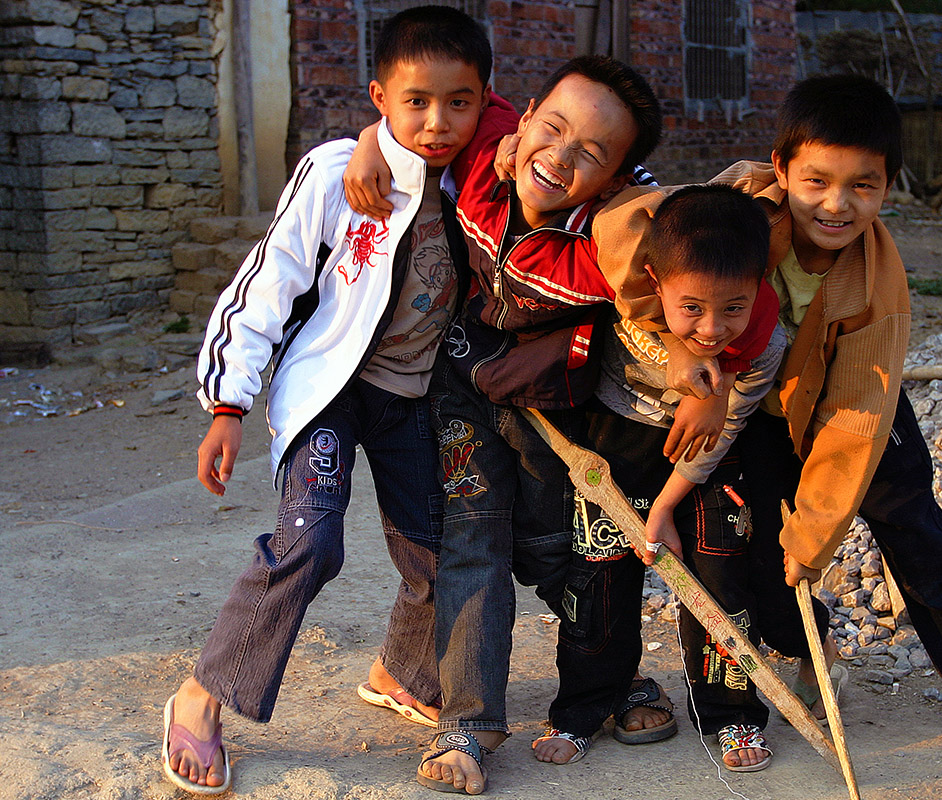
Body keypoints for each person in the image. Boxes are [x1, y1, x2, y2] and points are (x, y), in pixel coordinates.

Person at [597, 73, 942, 782]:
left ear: (889, 188)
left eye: (863, 186)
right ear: (782, 168)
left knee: (917, 532)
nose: (836, 204)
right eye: (816, 180)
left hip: (854, 406)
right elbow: (631, 238)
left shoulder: (878, 285)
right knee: (739, 537)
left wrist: (814, 535)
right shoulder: (740, 204)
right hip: (759, 405)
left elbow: (855, 423)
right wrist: (690, 359)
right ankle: (806, 648)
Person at [160, 7, 492, 794]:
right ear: (379, 95)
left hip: (415, 397)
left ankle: (400, 672)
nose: (437, 122)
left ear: (486, 101)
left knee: (437, 552)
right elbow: (268, 284)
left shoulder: (489, 175)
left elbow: (565, 145)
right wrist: (228, 404)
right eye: (415, 102)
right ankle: (202, 694)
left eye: (460, 102)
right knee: (311, 541)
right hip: (331, 395)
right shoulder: (340, 173)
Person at [344, 54, 670, 795]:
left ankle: (611, 680)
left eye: (590, 154)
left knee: (562, 551)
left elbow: (693, 234)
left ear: (617, 179)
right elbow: (433, 102)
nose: (557, 157)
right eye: (550, 129)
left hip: (553, 409)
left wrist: (576, 344)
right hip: (462, 386)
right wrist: (372, 137)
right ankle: (468, 723)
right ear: (522, 118)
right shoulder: (488, 160)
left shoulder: (610, 241)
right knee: (473, 540)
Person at [565, 183, 799, 773]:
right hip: (617, 443)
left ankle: (732, 715)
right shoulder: (626, 305)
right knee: (600, 577)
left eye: (733, 308)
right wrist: (671, 341)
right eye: (691, 307)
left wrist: (664, 507)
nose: (713, 329)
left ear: (759, 286)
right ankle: (586, 707)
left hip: (712, 458)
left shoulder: (765, 341)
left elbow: (723, 431)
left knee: (723, 578)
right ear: (654, 281)